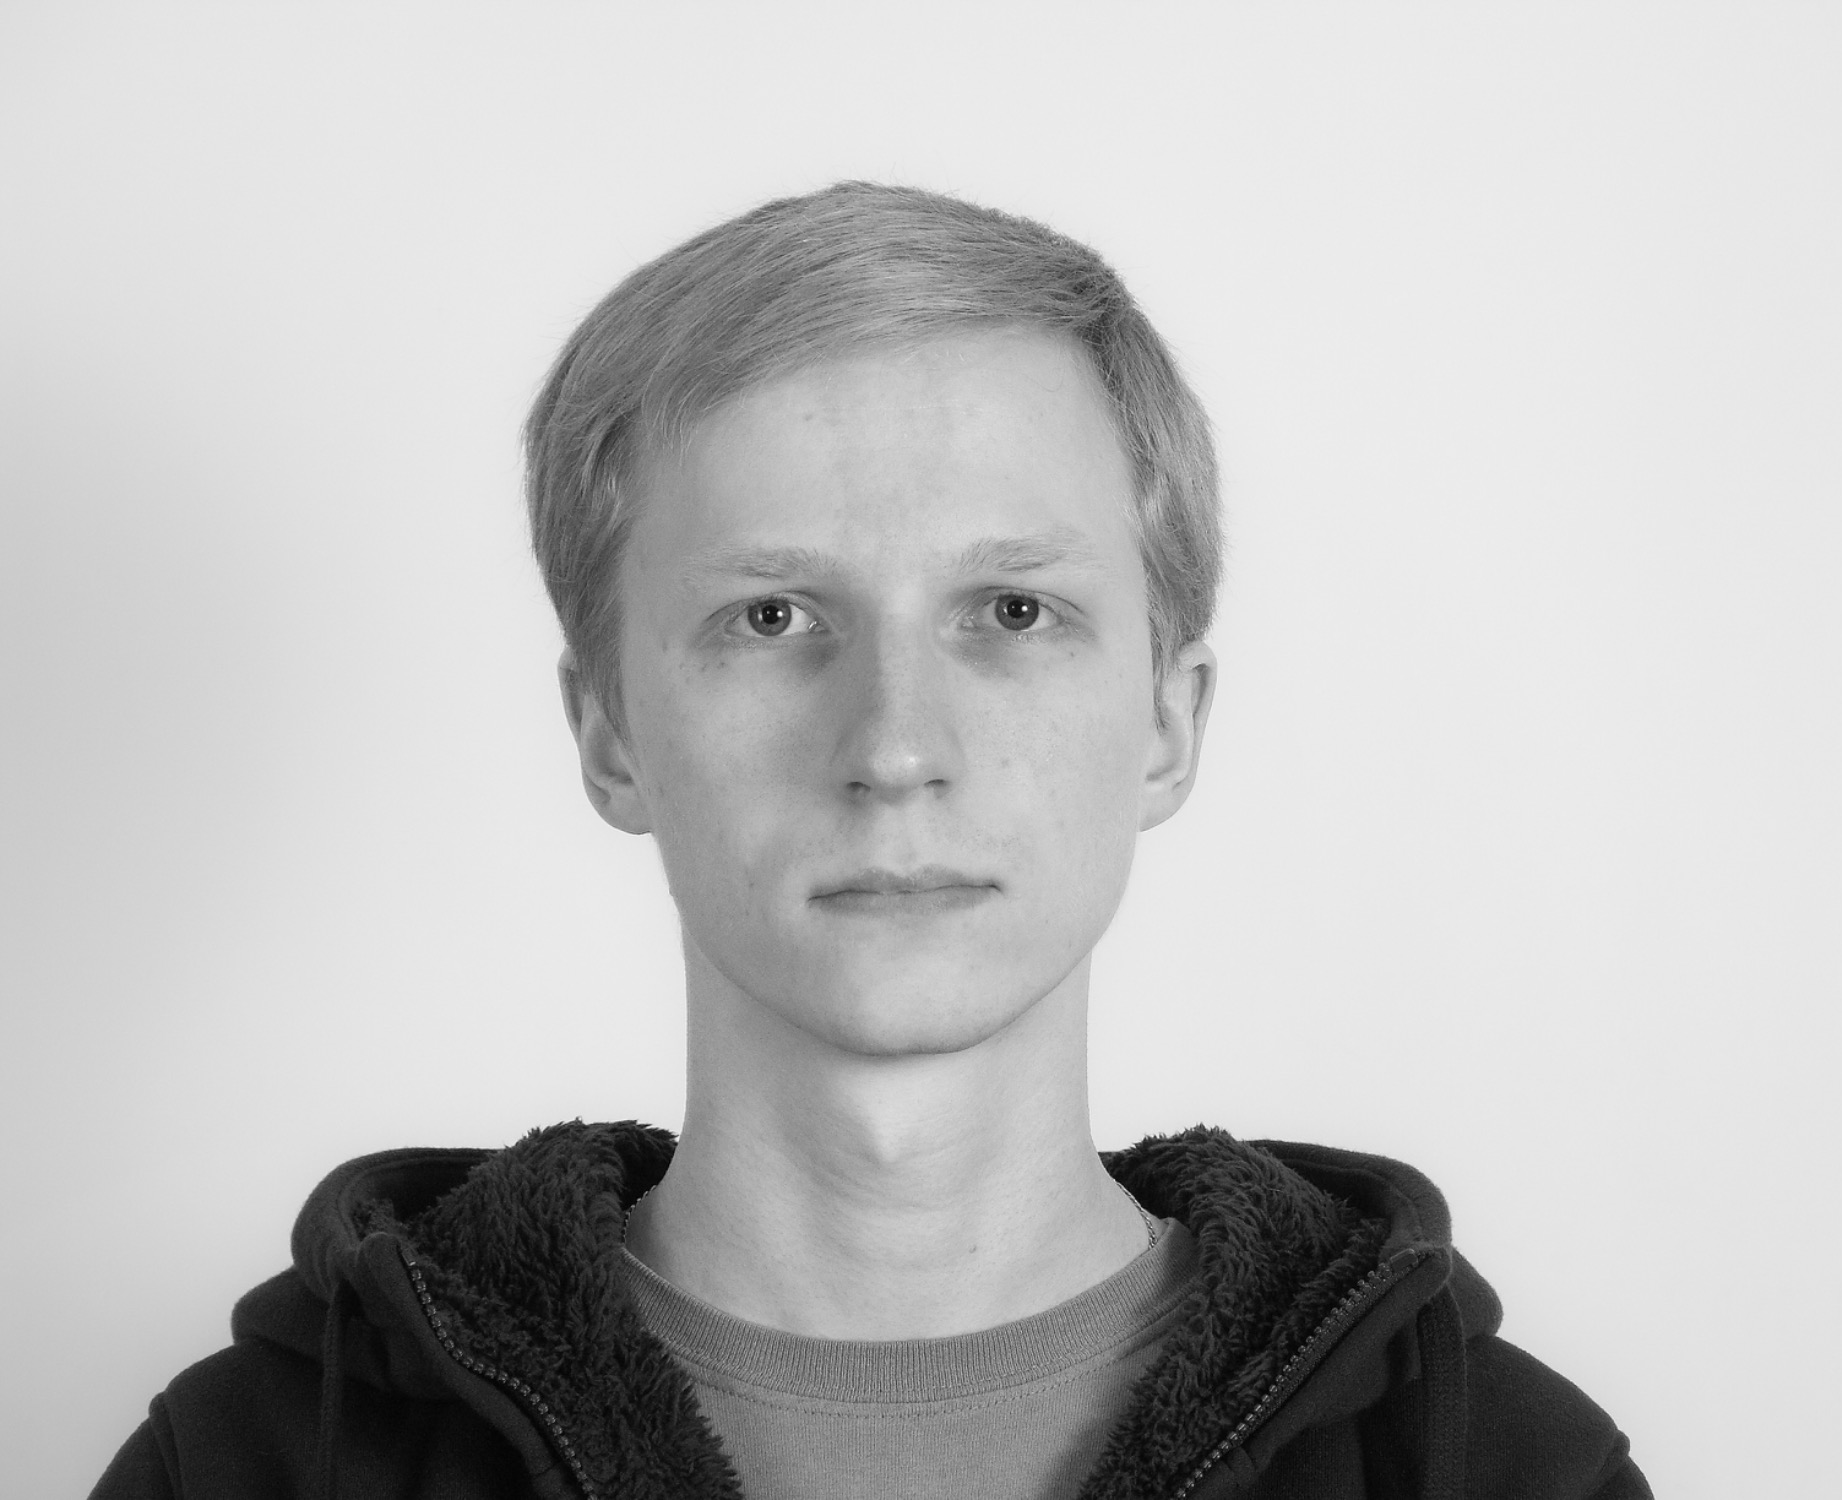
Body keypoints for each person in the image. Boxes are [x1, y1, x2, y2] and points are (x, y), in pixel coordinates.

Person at [93, 181, 1650, 1500]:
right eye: (772, 618)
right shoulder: (246, 1465)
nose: (897, 747)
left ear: (1168, 725)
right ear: (610, 731)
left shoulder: (1502, 1469)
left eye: (1013, 612)